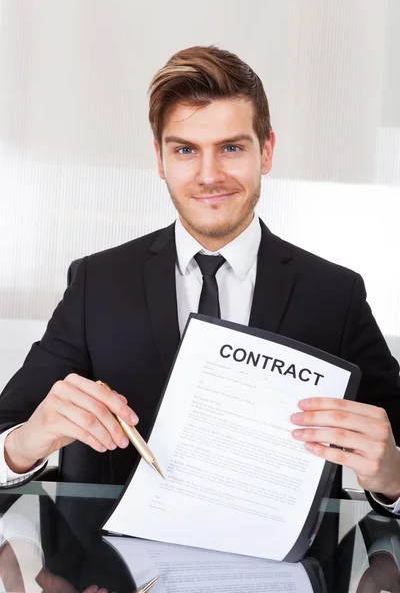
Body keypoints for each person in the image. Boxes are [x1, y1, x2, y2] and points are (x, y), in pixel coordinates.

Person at [0, 45, 400, 516]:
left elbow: (391, 447)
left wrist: (392, 474)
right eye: (186, 150)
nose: (209, 175)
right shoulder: (96, 282)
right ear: (160, 158)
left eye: (231, 147)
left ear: (266, 151)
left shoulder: (335, 293)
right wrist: (24, 445)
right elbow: (11, 428)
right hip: (113, 575)